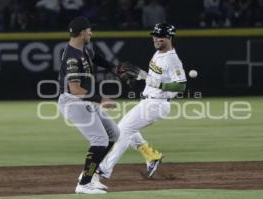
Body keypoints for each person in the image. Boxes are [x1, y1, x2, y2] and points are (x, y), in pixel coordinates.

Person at [58, 16, 163, 194]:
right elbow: (74, 89)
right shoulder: (72, 58)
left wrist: (116, 69)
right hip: (73, 102)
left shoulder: (84, 50)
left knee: (114, 133)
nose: (91, 32)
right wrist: (101, 99)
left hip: (83, 101)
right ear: (83, 32)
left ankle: (90, 177)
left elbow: (98, 59)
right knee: (99, 140)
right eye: (89, 30)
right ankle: (83, 184)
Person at [97, 23, 187, 186]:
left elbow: (181, 85)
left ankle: (104, 169)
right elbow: (152, 78)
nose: (156, 38)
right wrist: (139, 77)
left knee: (122, 130)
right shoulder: (159, 53)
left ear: (169, 37)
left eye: (160, 36)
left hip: (157, 103)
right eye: (155, 35)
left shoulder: (172, 59)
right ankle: (152, 156)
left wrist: (157, 84)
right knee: (128, 129)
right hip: (150, 101)